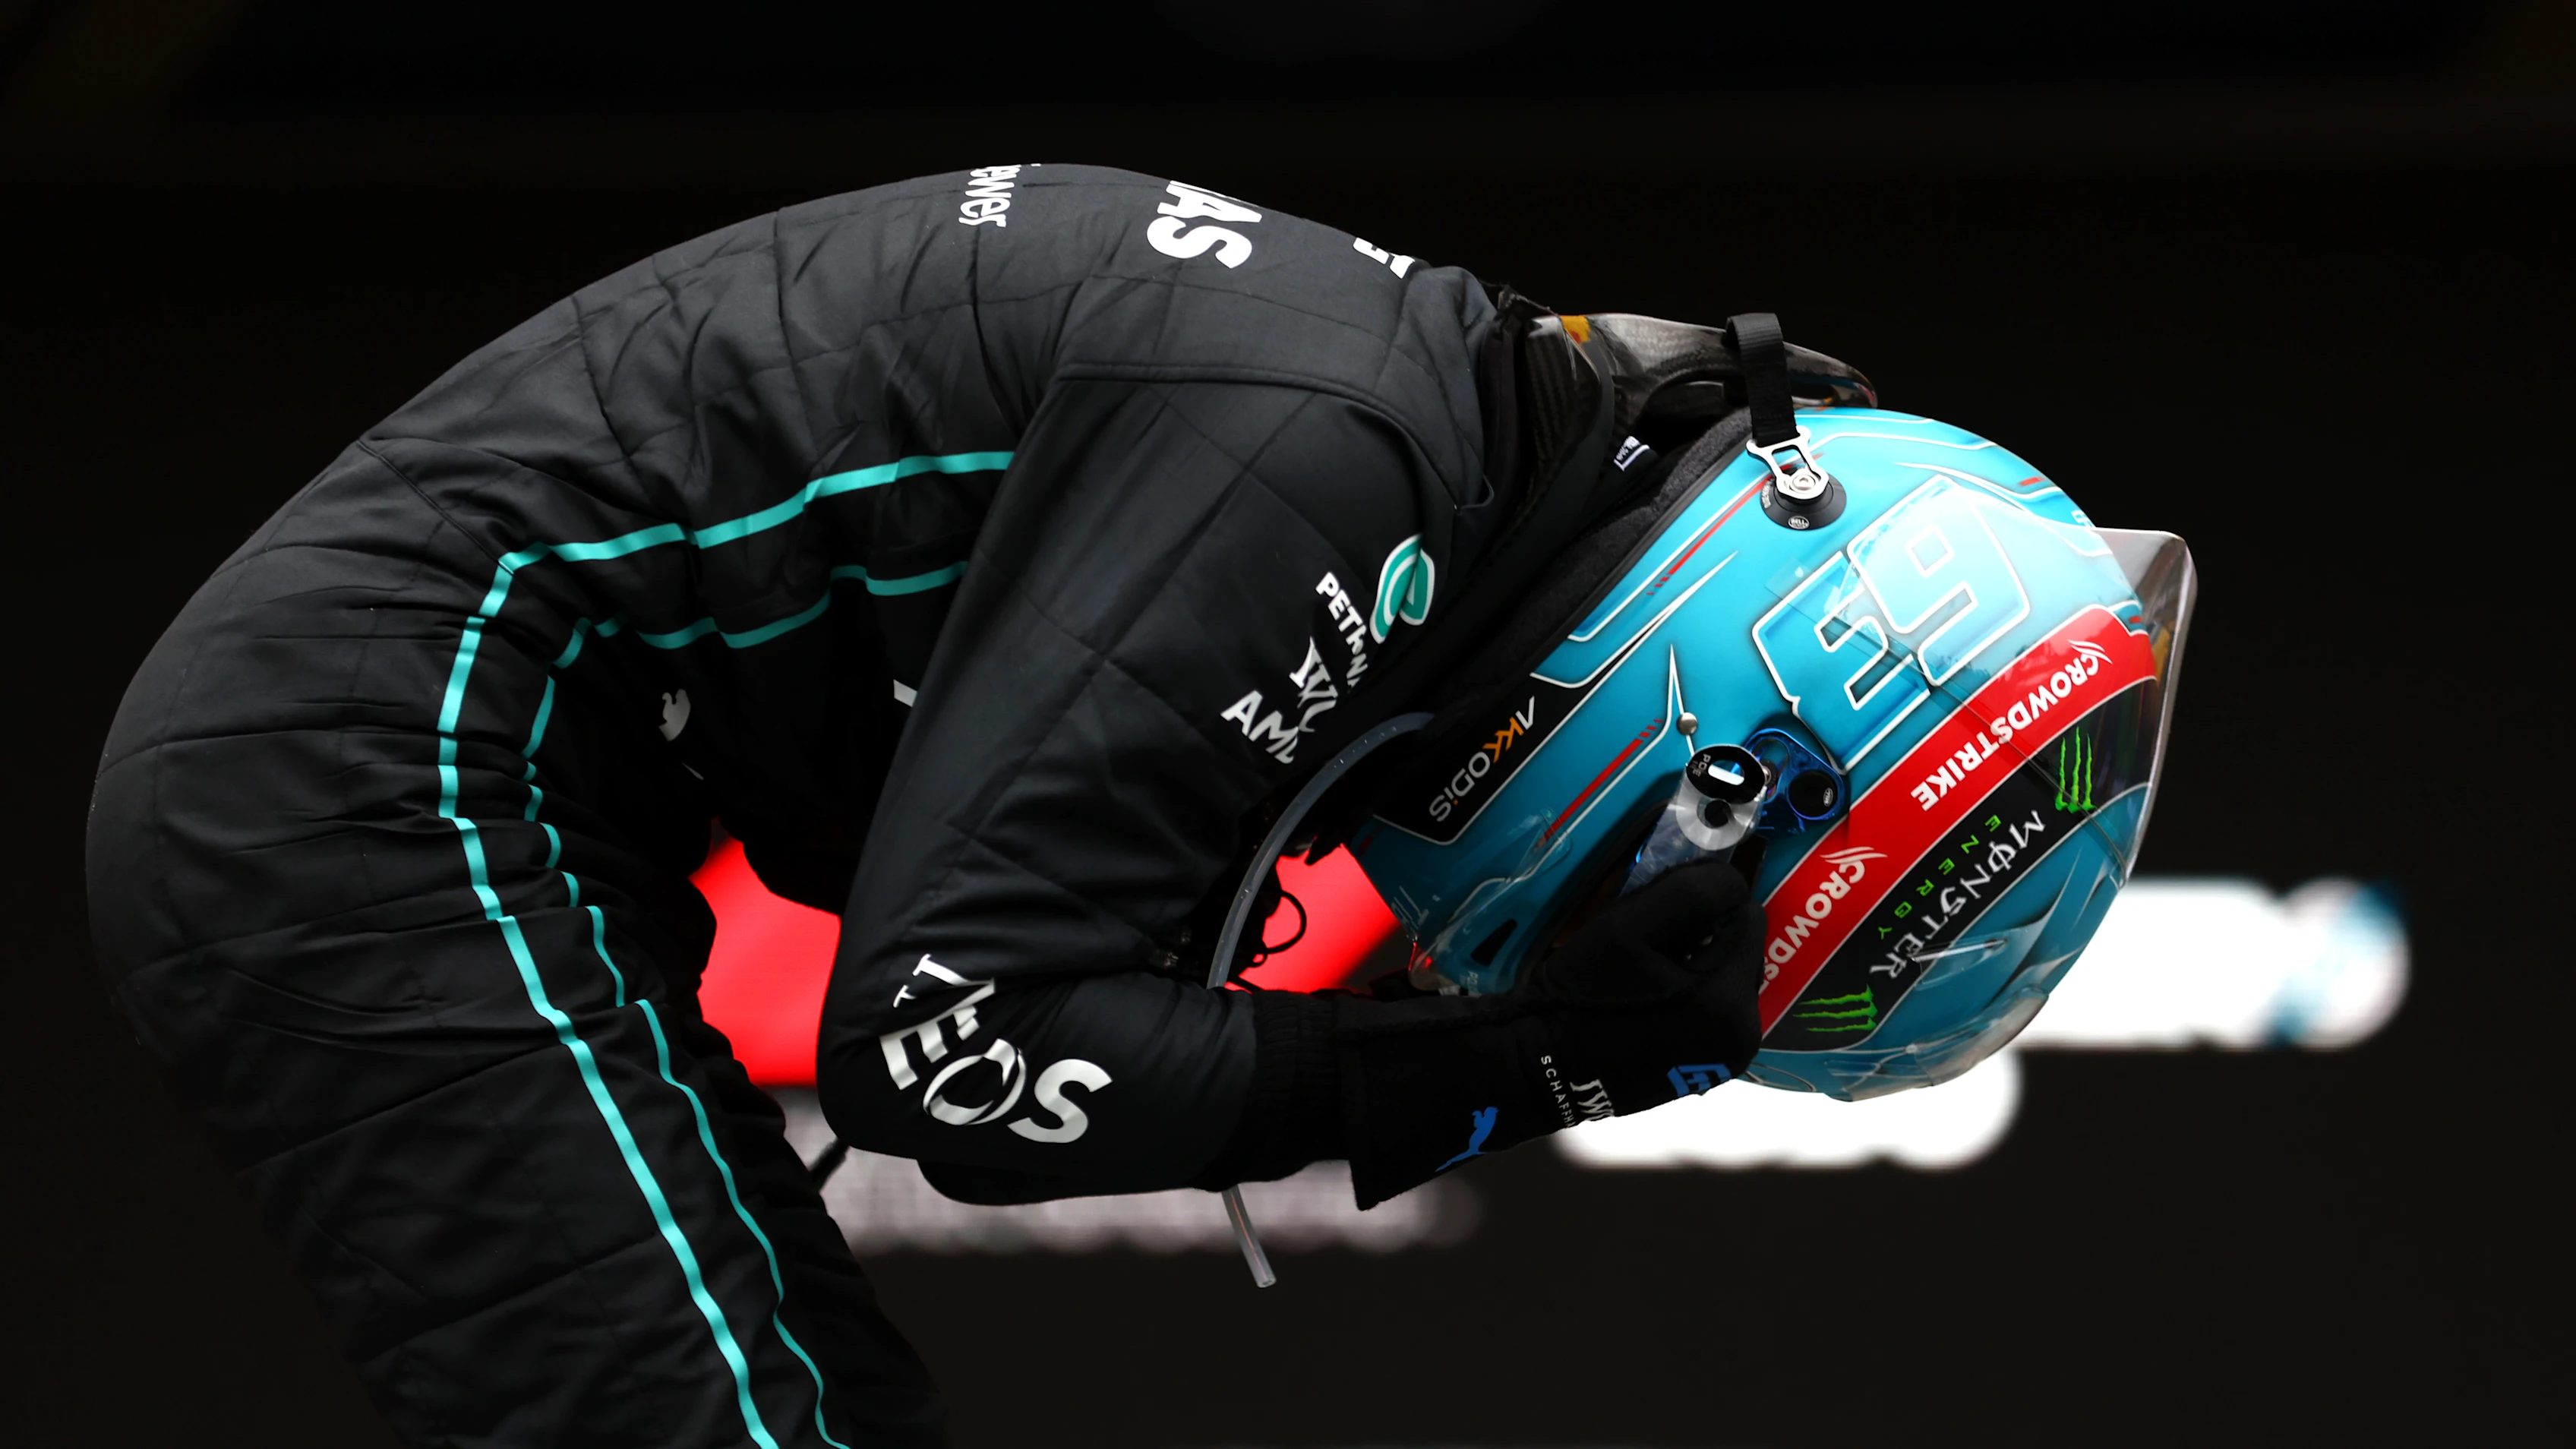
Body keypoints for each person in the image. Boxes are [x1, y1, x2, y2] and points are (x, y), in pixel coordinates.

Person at [88, 164, 1852, 1447]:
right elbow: (958, 1059)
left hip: (426, 738)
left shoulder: (1407, 410)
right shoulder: (1344, 452)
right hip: (373, 749)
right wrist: (1534, 1058)